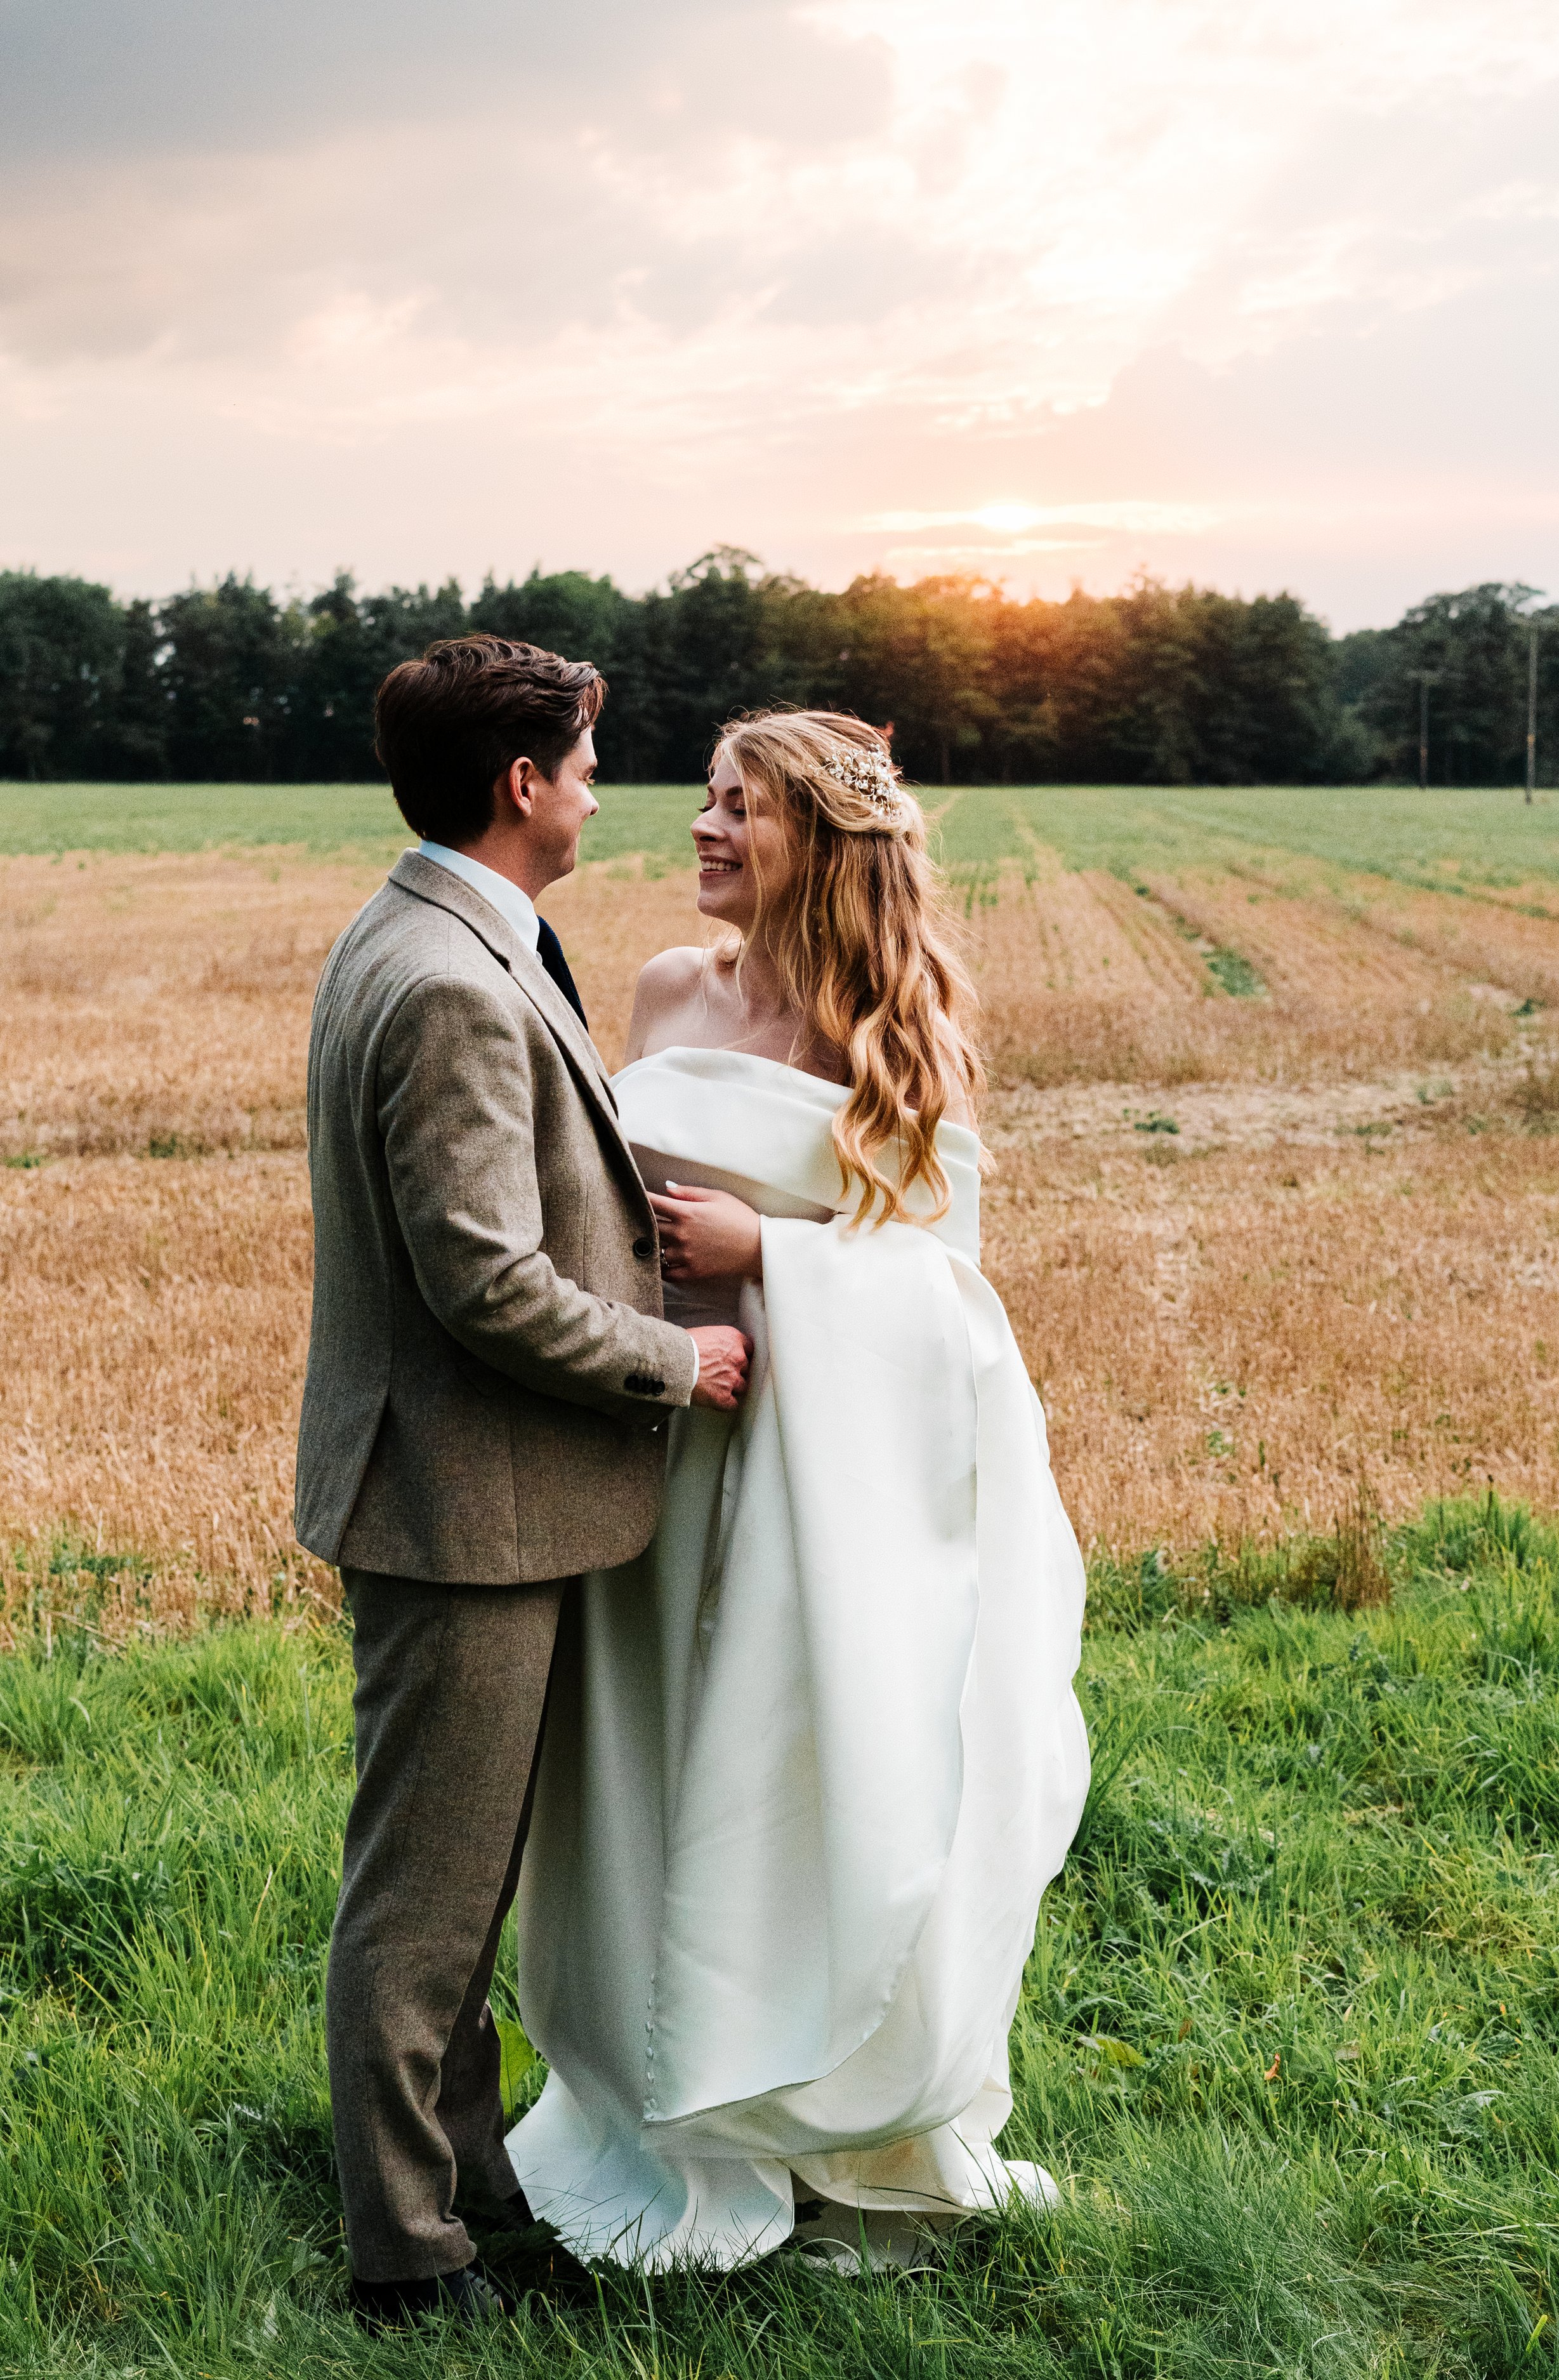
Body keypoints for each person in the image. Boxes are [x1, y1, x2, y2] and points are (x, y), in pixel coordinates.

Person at [505, 709, 1091, 2270]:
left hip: (828, 1483)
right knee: (652, 1758)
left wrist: (777, 1257)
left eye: (737, 806)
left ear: (817, 844)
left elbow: (949, 1293)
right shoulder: (657, 990)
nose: (699, 827)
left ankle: (819, 2103)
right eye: (704, 797)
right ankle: (660, 2099)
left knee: (802, 1767)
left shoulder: (896, 1028)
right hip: (669, 1448)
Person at [294, 635, 751, 2329]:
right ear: (521, 785)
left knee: (457, 1881)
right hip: (457, 1507)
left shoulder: (429, 927)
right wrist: (674, 1360)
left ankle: (472, 2184)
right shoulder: (449, 981)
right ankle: (405, 2257)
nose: (597, 789)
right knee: (422, 1901)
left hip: (465, 1491)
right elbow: (479, 1277)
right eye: (582, 761)